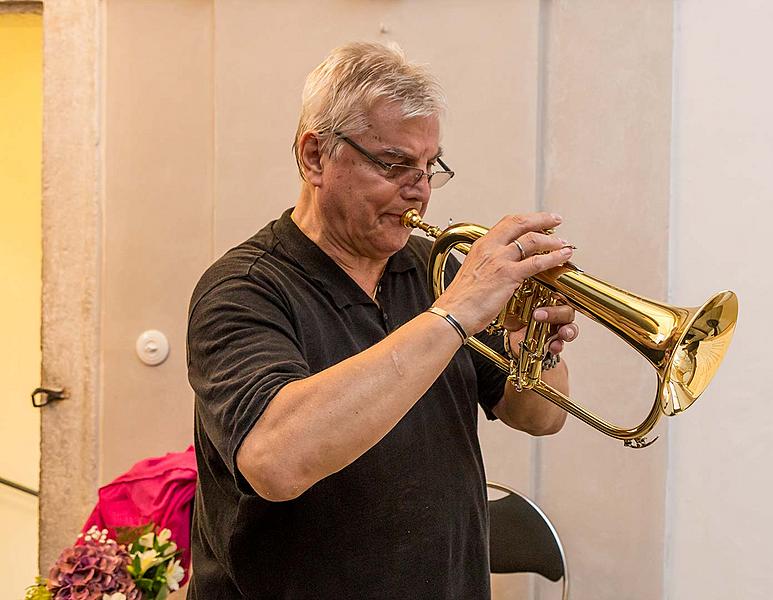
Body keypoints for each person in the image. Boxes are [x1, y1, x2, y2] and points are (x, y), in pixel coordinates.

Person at [186, 41, 579, 599]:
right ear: (315, 157)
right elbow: (275, 461)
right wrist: (455, 313)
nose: (418, 188)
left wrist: (534, 349)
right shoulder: (243, 289)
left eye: (429, 166)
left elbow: (540, 418)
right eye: (395, 164)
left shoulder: (436, 272)